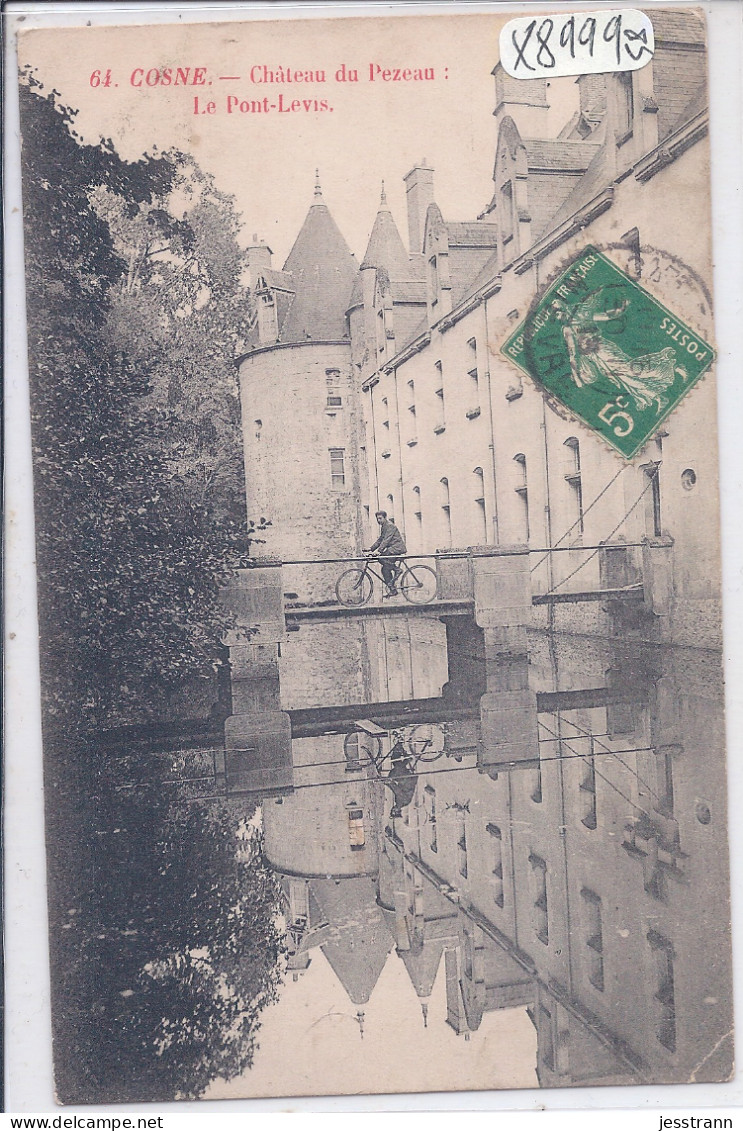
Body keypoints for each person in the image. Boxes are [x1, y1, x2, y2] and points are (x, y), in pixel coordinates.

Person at [367, 510, 406, 596]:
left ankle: (397, 570)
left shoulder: (390, 526)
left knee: (381, 558)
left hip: (397, 548)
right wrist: (370, 549)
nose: (379, 521)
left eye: (380, 518)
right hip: (392, 549)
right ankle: (393, 589)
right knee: (384, 569)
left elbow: (386, 540)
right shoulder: (384, 527)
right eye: (377, 519)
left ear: (385, 518)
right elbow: (380, 540)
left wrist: (379, 551)